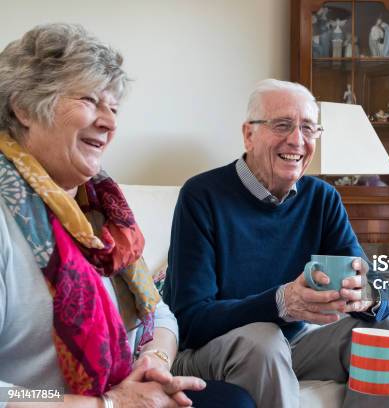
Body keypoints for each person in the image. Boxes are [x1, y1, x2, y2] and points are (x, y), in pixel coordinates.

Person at [0, 23, 254, 408]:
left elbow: (161, 314)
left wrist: (155, 361)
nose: (110, 123)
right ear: (23, 107)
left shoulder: (103, 207)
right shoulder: (7, 220)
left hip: (123, 392)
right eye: (88, 100)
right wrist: (109, 405)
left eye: (114, 108)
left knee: (234, 401)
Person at [163, 78, 389, 407]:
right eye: (282, 125)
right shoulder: (201, 196)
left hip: (293, 345)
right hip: (211, 349)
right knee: (263, 341)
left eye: (308, 128)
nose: (297, 140)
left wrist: (365, 295)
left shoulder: (321, 199)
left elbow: (377, 286)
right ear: (248, 134)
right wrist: (282, 302)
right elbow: (191, 321)